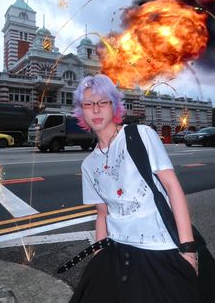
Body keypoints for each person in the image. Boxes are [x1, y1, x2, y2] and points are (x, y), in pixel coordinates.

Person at [70, 74, 199, 303]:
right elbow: (102, 214)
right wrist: (100, 257)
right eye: (88, 104)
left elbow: (172, 187)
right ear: (81, 111)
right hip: (116, 250)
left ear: (114, 106)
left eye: (103, 102)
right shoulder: (88, 164)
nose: (96, 110)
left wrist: (188, 248)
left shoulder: (140, 135)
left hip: (160, 248)